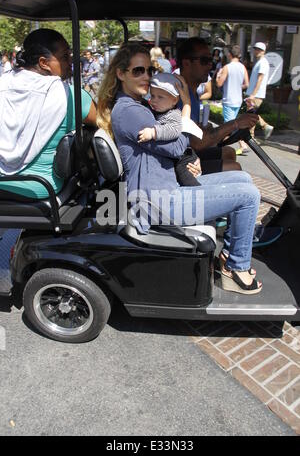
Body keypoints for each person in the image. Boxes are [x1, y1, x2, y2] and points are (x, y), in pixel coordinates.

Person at [97, 43, 262, 294]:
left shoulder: (141, 104)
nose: (146, 77)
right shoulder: (130, 111)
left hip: (166, 189)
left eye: (149, 70)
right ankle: (237, 268)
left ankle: (230, 256)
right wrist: (184, 104)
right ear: (121, 74)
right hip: (157, 202)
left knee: (243, 178)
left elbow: (176, 140)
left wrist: (183, 134)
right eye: (138, 71)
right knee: (248, 197)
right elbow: (175, 147)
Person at [0, 28, 96, 199]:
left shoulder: (3, 83)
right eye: (65, 57)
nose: (71, 61)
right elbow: (104, 121)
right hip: (40, 185)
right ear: (44, 63)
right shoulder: (70, 95)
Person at [176, 37, 255, 174]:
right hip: (182, 164)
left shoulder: (193, 94)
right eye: (204, 61)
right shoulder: (179, 95)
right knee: (235, 169)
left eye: (210, 61)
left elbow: (197, 136)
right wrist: (235, 124)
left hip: (191, 154)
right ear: (187, 63)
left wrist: (207, 130)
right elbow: (197, 144)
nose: (210, 66)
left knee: (229, 152)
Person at [137, 72, 204, 187]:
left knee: (183, 173)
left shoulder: (173, 115)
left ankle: (195, 190)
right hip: (176, 156)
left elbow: (173, 130)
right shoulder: (157, 110)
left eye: (160, 97)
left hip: (184, 157)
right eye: (152, 96)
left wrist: (154, 132)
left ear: (174, 100)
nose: (154, 100)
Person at [216, 45, 249, 154]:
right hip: (238, 99)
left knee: (229, 125)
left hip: (229, 99)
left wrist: (218, 76)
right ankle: (225, 145)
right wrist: (237, 86)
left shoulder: (227, 67)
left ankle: (239, 144)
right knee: (232, 123)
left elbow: (219, 83)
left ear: (229, 54)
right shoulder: (242, 67)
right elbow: (246, 84)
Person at [245, 42, 274, 140]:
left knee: (251, 115)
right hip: (254, 94)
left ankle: (262, 128)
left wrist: (253, 94)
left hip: (256, 95)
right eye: (256, 49)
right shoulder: (260, 62)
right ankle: (255, 134)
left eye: (259, 49)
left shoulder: (263, 62)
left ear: (264, 51)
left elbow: (260, 79)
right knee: (251, 115)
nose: (257, 51)